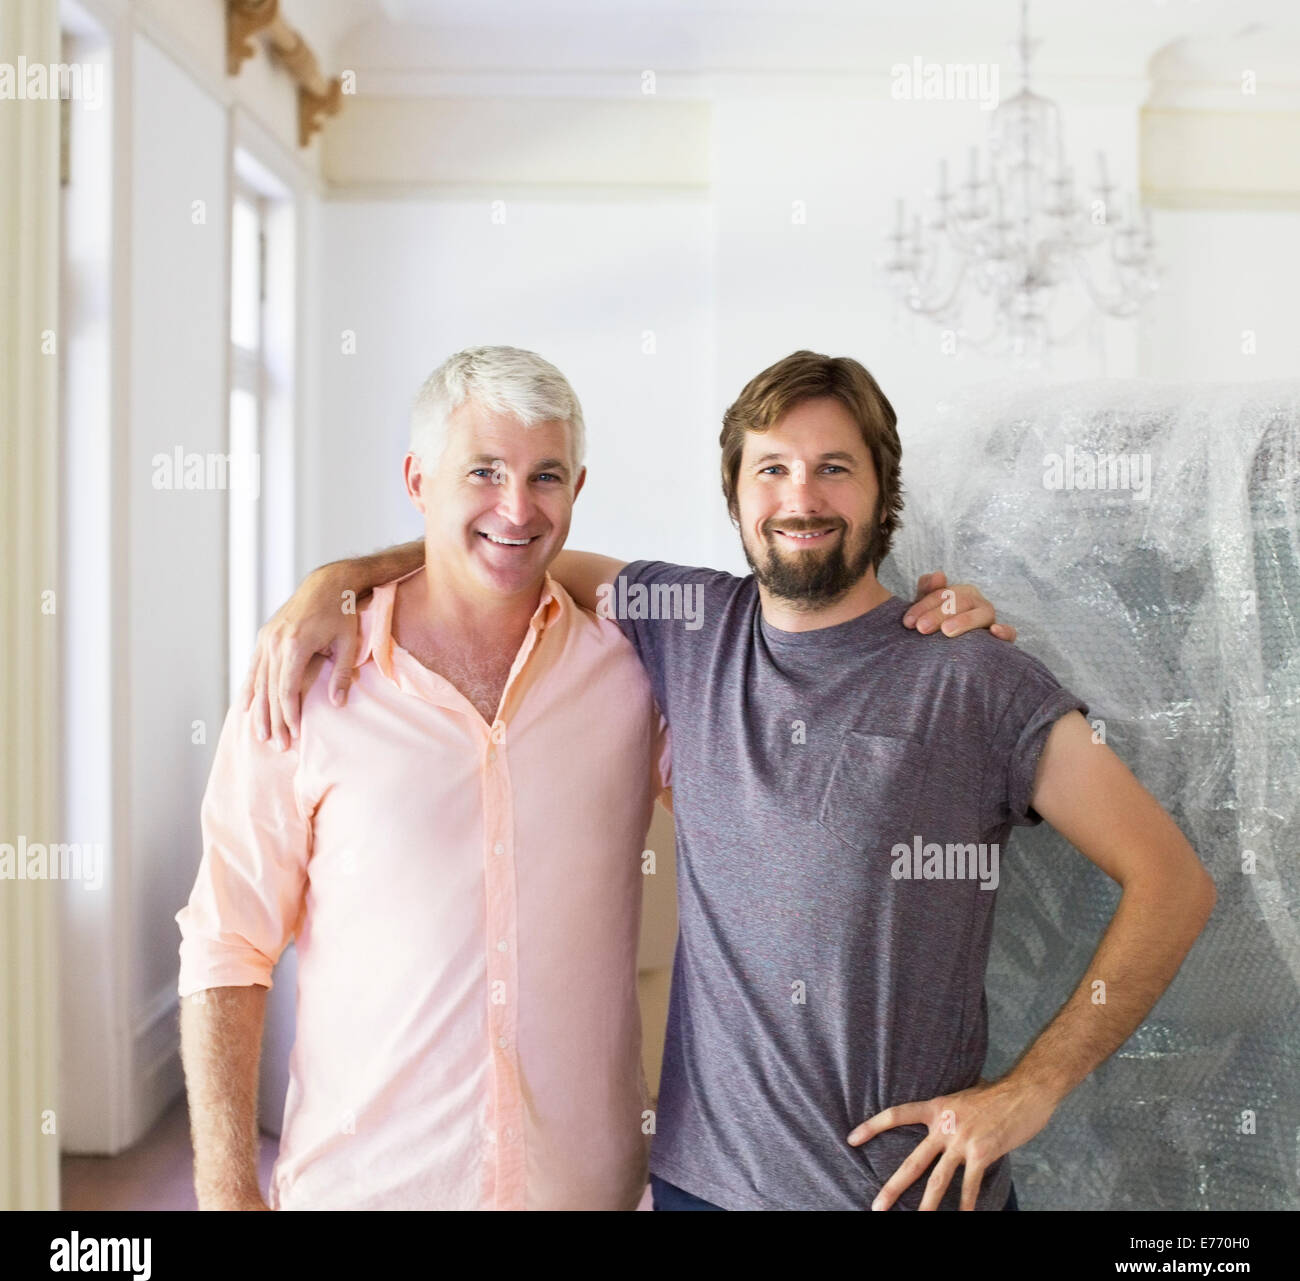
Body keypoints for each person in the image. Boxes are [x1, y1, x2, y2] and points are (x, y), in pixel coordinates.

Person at [179, 345, 1006, 1211]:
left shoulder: (634, 666)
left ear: (577, 490)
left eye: (545, 476)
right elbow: (225, 943)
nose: (516, 506)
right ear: (419, 480)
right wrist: (228, 1190)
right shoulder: (307, 679)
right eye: (484, 472)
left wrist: (932, 649)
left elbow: (806, 731)